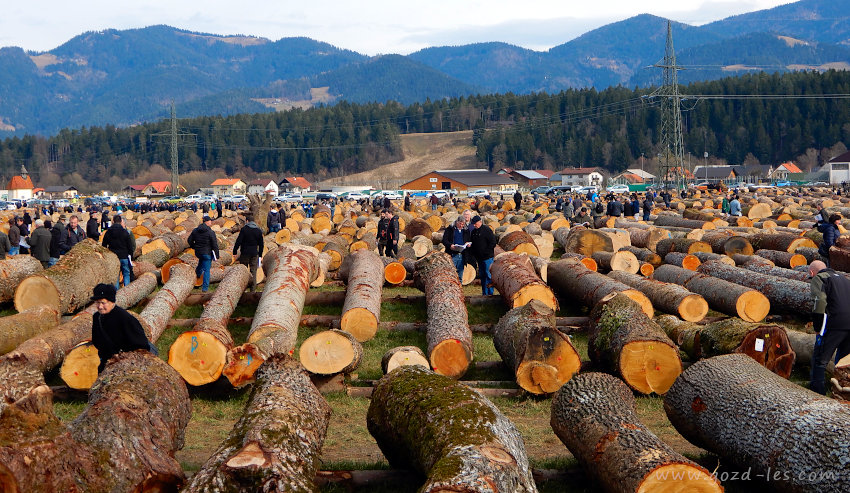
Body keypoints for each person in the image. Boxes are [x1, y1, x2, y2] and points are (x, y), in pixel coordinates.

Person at [808, 261, 850, 394]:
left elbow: (819, 303)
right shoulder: (844, 279)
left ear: (811, 272)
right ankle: (839, 393)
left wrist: (818, 327)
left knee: (820, 359)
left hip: (834, 323)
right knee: (842, 362)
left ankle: (817, 392)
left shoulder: (819, 278)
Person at [90, 283, 152, 372]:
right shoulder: (97, 317)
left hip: (126, 365)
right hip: (106, 363)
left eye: (103, 303)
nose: (100, 306)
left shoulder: (125, 318)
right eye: (97, 303)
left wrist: (124, 358)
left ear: (111, 301)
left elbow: (141, 345)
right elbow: (96, 340)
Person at [232, 214, 264, 291]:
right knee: (253, 271)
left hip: (244, 253)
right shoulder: (258, 230)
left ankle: (243, 288)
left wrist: (234, 251)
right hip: (254, 253)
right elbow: (261, 244)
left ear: (247, 221)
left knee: (244, 271)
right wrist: (260, 254)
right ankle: (253, 290)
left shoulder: (244, 229)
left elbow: (238, 241)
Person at [102, 215, 135, 288]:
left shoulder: (108, 232)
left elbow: (104, 245)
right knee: (126, 274)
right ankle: (127, 291)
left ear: (113, 221)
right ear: (120, 222)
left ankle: (116, 292)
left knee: (116, 275)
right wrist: (131, 256)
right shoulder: (125, 232)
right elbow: (130, 246)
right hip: (124, 256)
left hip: (114, 257)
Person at [188, 216, 220, 292]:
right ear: (207, 222)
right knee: (207, 271)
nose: (211, 222)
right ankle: (205, 288)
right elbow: (214, 244)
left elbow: (189, 240)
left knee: (200, 264)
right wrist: (217, 254)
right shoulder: (210, 232)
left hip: (198, 252)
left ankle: (196, 279)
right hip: (207, 253)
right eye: (210, 221)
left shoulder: (195, 230)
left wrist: (194, 247)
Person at [469, 215, 496, 296]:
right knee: (482, 276)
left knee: (488, 275)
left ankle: (490, 293)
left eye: (475, 223)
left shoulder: (486, 230)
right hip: (479, 258)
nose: (474, 225)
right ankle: (484, 293)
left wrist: (487, 252)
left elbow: (493, 242)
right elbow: (473, 244)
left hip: (487, 258)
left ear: (480, 222)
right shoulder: (474, 232)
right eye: (473, 224)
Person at [442, 217, 471, 281]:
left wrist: (468, 243)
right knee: (450, 274)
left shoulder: (466, 230)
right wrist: (450, 245)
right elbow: (444, 240)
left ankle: (459, 289)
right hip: (452, 254)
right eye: (460, 224)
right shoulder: (449, 229)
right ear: (456, 222)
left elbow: (469, 240)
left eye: (463, 224)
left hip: (462, 255)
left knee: (460, 275)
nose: (461, 226)